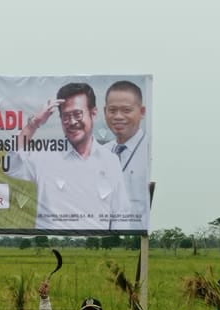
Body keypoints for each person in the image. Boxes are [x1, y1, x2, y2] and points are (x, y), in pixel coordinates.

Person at [7, 82, 133, 231]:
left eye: (77, 114)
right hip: (48, 248)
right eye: (66, 116)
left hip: (94, 249)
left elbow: (120, 214)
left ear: (93, 113)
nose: (72, 122)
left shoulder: (110, 161)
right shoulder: (46, 155)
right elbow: (11, 166)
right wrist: (34, 124)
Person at [103, 80, 150, 230]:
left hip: (136, 236)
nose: (118, 116)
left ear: (142, 112)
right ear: (105, 111)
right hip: (104, 236)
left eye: (126, 110)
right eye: (112, 110)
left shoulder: (150, 151)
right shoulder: (101, 152)